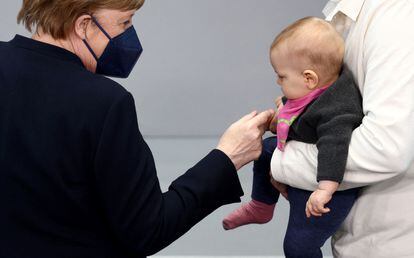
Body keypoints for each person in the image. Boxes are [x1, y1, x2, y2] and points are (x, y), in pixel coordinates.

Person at [0, 1, 275, 258]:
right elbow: (147, 229)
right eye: (125, 22)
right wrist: (228, 157)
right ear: (83, 25)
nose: (130, 34)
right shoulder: (104, 103)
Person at [271, 1, 414, 257]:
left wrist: (280, 161)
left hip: (388, 245)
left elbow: (385, 149)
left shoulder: (395, 19)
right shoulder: (362, 15)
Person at [222, 17, 363, 258]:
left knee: (298, 246)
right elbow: (300, 112)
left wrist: (324, 190)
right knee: (265, 149)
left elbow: (334, 149)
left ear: (309, 78)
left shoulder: (336, 111)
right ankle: (261, 206)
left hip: (327, 191)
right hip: (301, 167)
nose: (277, 81)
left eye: (282, 77)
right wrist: (278, 121)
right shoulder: (317, 87)